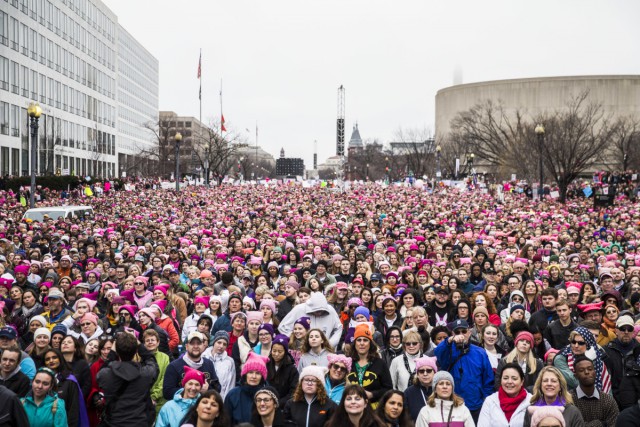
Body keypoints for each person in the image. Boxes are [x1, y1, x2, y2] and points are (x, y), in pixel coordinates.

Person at [434, 319, 494, 422]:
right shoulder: (447, 350)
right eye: (457, 332)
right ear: (453, 334)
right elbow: (437, 353)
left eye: (464, 331)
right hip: (452, 405)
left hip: (475, 405)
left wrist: (485, 401)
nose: (461, 335)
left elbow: (488, 380)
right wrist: (449, 340)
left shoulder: (480, 352)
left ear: (469, 332)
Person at [96, 332, 159, 427]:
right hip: (139, 422)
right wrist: (139, 345)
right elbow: (152, 362)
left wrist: (112, 352)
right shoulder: (145, 374)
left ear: (116, 351)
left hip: (114, 422)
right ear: (135, 352)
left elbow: (101, 372)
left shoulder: (106, 374)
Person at [163, 331, 220, 401]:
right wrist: (191, 390)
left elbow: (218, 388)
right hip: (182, 408)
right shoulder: (174, 366)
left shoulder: (209, 364)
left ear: (203, 346)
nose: (195, 346)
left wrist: (208, 389)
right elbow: (167, 392)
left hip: (203, 408)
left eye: (198, 343)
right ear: (186, 346)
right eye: (192, 343)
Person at [346, 323, 393, 409]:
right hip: (351, 408)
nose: (362, 343)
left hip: (375, 410)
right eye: (359, 340)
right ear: (355, 343)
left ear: (370, 343)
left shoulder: (380, 363)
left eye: (365, 340)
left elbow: (388, 389)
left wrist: (372, 394)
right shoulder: (348, 363)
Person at [554, 326, 611, 393]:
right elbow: (575, 382)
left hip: (599, 399)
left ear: (588, 344)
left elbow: (607, 387)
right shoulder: (561, 358)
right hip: (571, 398)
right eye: (573, 342)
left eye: (580, 343)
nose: (576, 346)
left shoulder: (597, 357)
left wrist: (593, 360)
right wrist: (588, 360)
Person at [278, 292, 343, 349]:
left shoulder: (330, 310)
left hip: (324, 350)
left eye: (321, 311)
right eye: (317, 311)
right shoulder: (299, 309)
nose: (319, 313)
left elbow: (338, 328)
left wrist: (330, 344)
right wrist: (296, 340)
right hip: (301, 350)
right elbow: (283, 327)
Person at [569, 355, 618, 427]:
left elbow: (614, 424)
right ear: (575, 376)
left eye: (590, 369)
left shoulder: (608, 400)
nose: (586, 372)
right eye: (581, 370)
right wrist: (600, 424)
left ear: (595, 372)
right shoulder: (568, 399)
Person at [604, 315, 640, 410]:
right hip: (613, 401)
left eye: (629, 329)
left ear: (633, 331)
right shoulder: (606, 351)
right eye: (622, 328)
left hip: (636, 402)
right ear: (616, 330)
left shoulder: (639, 351)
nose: (626, 332)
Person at [478, 362, 531, 427]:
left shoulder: (531, 401)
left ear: (522, 381)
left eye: (514, 378)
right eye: (505, 378)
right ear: (501, 380)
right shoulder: (490, 401)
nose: (509, 382)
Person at [224, 352, 269, 425]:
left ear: (262, 377)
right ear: (245, 374)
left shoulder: (268, 396)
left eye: (258, 373)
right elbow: (225, 422)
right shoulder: (232, 395)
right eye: (250, 372)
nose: (253, 376)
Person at [266, 333, 299, 408]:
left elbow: (293, 391)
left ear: (285, 352)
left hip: (283, 406)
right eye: (274, 351)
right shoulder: (266, 365)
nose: (276, 354)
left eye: (280, 352)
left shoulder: (292, 369)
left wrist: (278, 403)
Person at [202, 331, 236, 399]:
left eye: (224, 344)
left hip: (221, 398)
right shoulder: (203, 357)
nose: (221, 346)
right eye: (219, 342)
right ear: (214, 342)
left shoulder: (230, 361)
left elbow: (231, 384)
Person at [404, 356, 438, 421]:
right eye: (421, 371)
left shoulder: (441, 390)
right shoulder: (409, 392)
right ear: (418, 374)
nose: (425, 374)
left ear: (435, 372)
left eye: (429, 371)